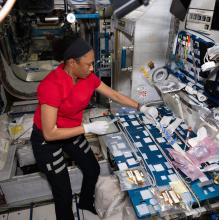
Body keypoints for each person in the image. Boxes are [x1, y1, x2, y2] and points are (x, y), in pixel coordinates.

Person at [30, 37, 155, 220]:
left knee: (92, 168)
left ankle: (86, 202)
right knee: (62, 192)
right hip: (47, 141)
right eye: (88, 64)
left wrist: (141, 107)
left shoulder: (87, 77)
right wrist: (88, 128)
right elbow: (50, 133)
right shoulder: (51, 85)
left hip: (72, 131)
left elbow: (112, 94)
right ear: (72, 63)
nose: (92, 68)